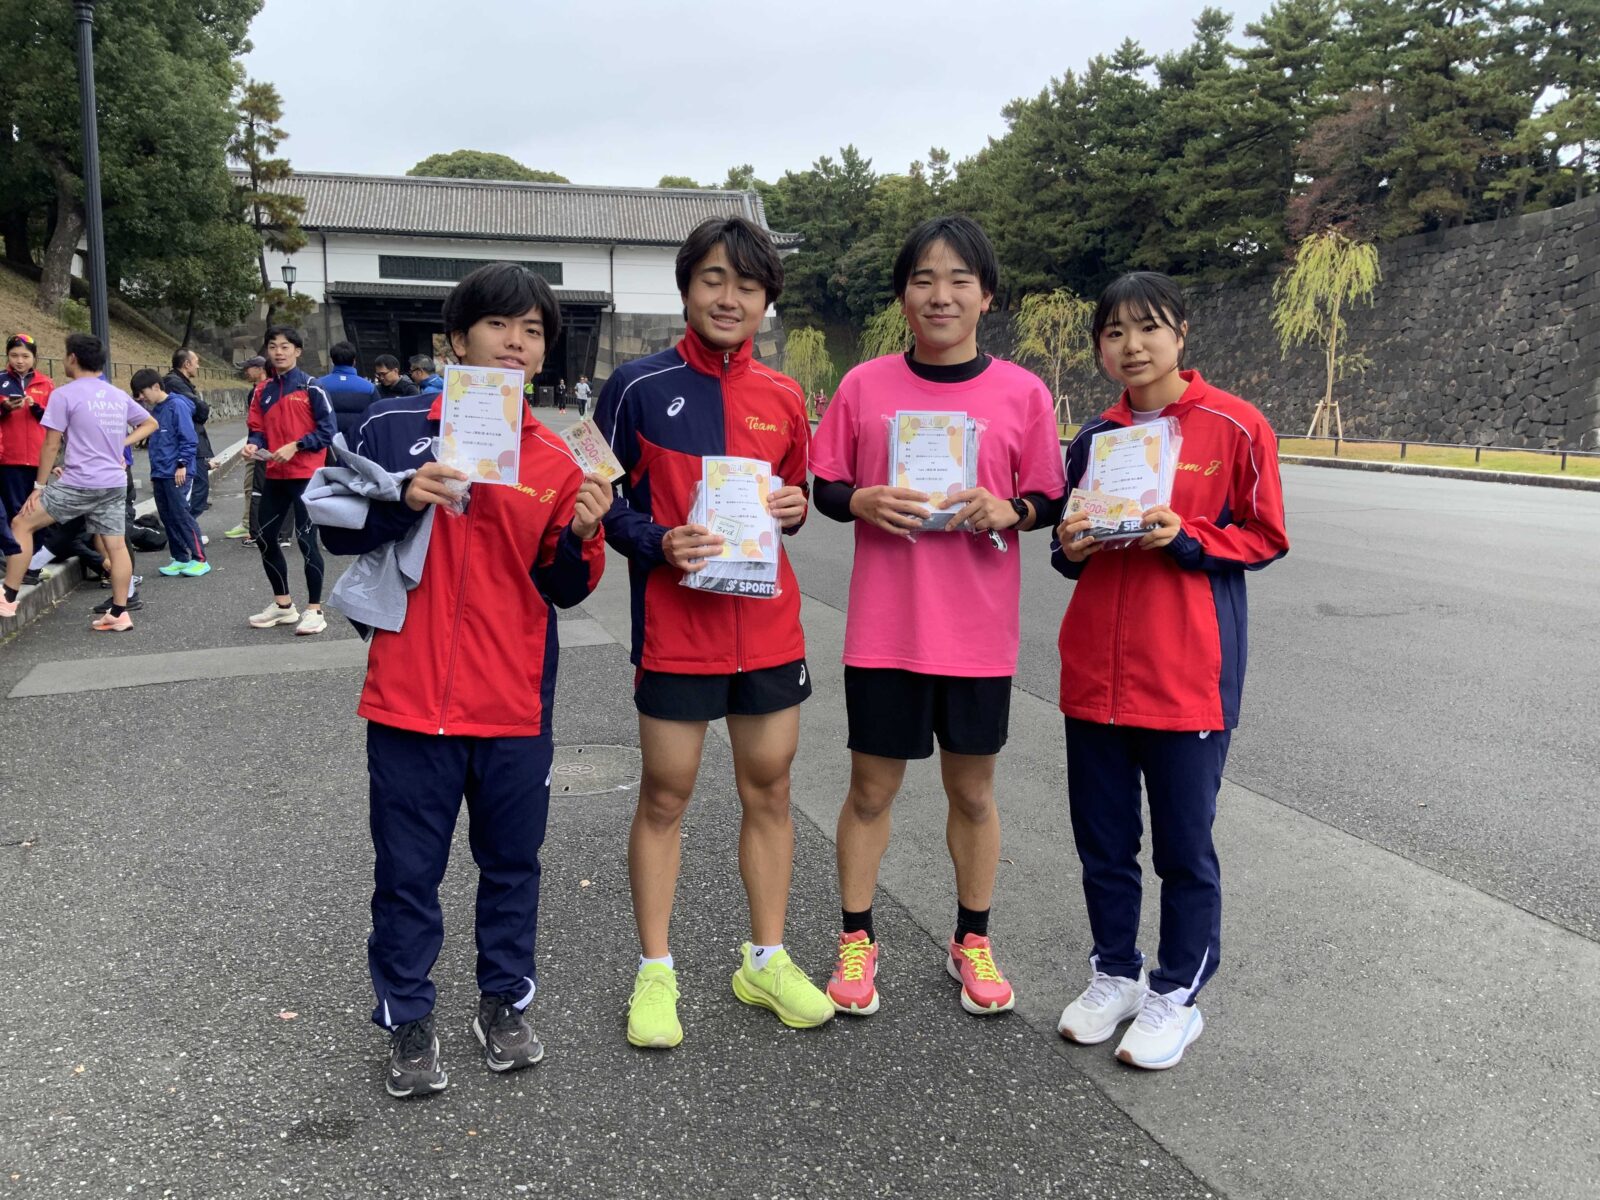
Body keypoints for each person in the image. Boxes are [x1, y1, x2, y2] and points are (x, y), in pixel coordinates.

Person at [314, 262, 610, 1098]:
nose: (516, 344)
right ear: (456, 340)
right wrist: (403, 499)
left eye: (533, 331)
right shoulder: (392, 426)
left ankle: (503, 1001)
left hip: (514, 701)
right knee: (407, 873)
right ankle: (407, 1018)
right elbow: (334, 528)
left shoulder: (561, 453)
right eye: (498, 326)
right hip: (409, 699)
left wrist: (582, 537)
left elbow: (563, 588)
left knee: (513, 864)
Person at [811, 215, 1066, 1021]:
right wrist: (860, 499)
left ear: (987, 297)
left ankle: (972, 939)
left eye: (960, 279)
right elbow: (824, 485)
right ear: (903, 296)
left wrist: (1012, 509)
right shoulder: (865, 386)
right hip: (886, 630)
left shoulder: (1022, 393)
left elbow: (1050, 495)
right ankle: (857, 938)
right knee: (870, 790)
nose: (941, 294)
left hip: (978, 635)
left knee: (975, 792)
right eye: (923, 279)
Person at [596, 215, 828, 1050]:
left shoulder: (785, 396)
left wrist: (795, 507)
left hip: (767, 629)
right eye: (714, 280)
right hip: (677, 630)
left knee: (771, 788)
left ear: (767, 301)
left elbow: (794, 499)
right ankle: (655, 970)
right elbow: (600, 500)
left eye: (749, 285)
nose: (730, 298)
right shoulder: (636, 386)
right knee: (666, 793)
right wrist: (657, 540)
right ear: (687, 287)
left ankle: (765, 959)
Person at [1051, 271, 1288, 1070]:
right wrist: (1070, 545)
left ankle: (1177, 994)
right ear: (1100, 347)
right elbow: (1068, 550)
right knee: (1103, 844)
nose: (1132, 345)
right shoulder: (1095, 439)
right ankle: (1114, 974)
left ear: (1181, 333)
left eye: (1148, 327)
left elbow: (1265, 535)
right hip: (1096, 675)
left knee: (1184, 850)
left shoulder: (1236, 425)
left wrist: (1186, 537)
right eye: (1114, 332)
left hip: (1187, 676)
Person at [0, 334, 156, 630]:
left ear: (72, 358)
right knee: (116, 546)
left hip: (79, 482)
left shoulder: (64, 394)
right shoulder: (116, 394)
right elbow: (150, 423)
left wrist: (39, 487)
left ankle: (8, 595)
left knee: (22, 523)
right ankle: (120, 612)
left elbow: (51, 444)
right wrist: (122, 444)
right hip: (113, 482)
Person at [241, 326, 336, 635]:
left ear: (297, 351)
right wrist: (252, 444)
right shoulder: (262, 390)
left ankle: (315, 610)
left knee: (307, 541)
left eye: (285, 346)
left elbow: (328, 431)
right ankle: (283, 606)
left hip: (307, 475)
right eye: (273, 346)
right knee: (264, 537)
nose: (278, 352)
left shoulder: (312, 387)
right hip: (275, 473)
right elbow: (257, 429)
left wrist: (297, 445)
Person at [131, 369, 209, 578]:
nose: (142, 398)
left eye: (143, 393)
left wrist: (182, 464)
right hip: (161, 472)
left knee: (182, 515)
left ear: (156, 387)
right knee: (167, 516)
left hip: (177, 472)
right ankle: (180, 558)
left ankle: (200, 559)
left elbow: (188, 438)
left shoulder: (178, 405)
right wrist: (154, 472)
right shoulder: (156, 410)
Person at [0, 333, 55, 566]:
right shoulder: (1, 380)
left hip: (38, 458)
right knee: (14, 511)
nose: (19, 361)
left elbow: (55, 422)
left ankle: (33, 563)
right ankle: (15, 561)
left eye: (25, 356)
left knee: (36, 512)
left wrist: (37, 408)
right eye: (14, 355)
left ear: (34, 357)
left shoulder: (46, 383)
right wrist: (4, 408)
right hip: (8, 459)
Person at [162, 349, 212, 519]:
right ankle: (187, 526)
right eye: (196, 362)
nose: (198, 366)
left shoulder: (179, 382)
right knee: (196, 488)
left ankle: (188, 526)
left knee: (199, 488)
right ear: (187, 364)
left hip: (193, 442)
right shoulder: (173, 382)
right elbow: (200, 408)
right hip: (187, 444)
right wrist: (202, 409)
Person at [225, 357, 269, 541]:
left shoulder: (263, 390)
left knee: (252, 486)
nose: (245, 372)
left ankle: (250, 524)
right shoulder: (259, 390)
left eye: (248, 368)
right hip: (257, 444)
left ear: (260, 369)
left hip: (260, 447)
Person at [318, 340, 378, 446]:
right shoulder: (369, 387)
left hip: (327, 442)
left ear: (332, 361)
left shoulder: (318, 385)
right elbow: (376, 416)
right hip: (359, 441)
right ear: (354, 361)